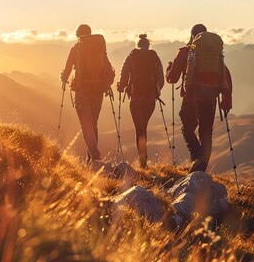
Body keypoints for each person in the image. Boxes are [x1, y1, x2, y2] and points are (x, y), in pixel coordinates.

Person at [166, 24, 233, 172]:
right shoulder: (216, 55)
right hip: (211, 96)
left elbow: (172, 78)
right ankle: (200, 167)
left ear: (192, 36)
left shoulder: (185, 52)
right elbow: (225, 75)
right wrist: (227, 99)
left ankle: (196, 156)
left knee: (187, 128)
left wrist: (169, 69)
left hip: (191, 97)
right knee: (206, 131)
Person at [61, 24, 114, 162]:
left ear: (79, 35)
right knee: (93, 123)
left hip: (82, 91)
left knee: (86, 124)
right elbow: (108, 68)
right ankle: (91, 157)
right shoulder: (100, 48)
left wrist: (63, 78)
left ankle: (94, 156)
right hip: (98, 90)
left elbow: (67, 69)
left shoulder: (76, 49)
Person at [117, 34, 164, 167]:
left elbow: (124, 73)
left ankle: (142, 161)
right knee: (144, 127)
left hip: (136, 98)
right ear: (148, 45)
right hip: (150, 99)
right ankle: (143, 160)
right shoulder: (154, 57)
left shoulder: (132, 56)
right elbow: (161, 78)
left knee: (140, 128)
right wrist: (156, 91)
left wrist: (121, 87)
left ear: (138, 45)